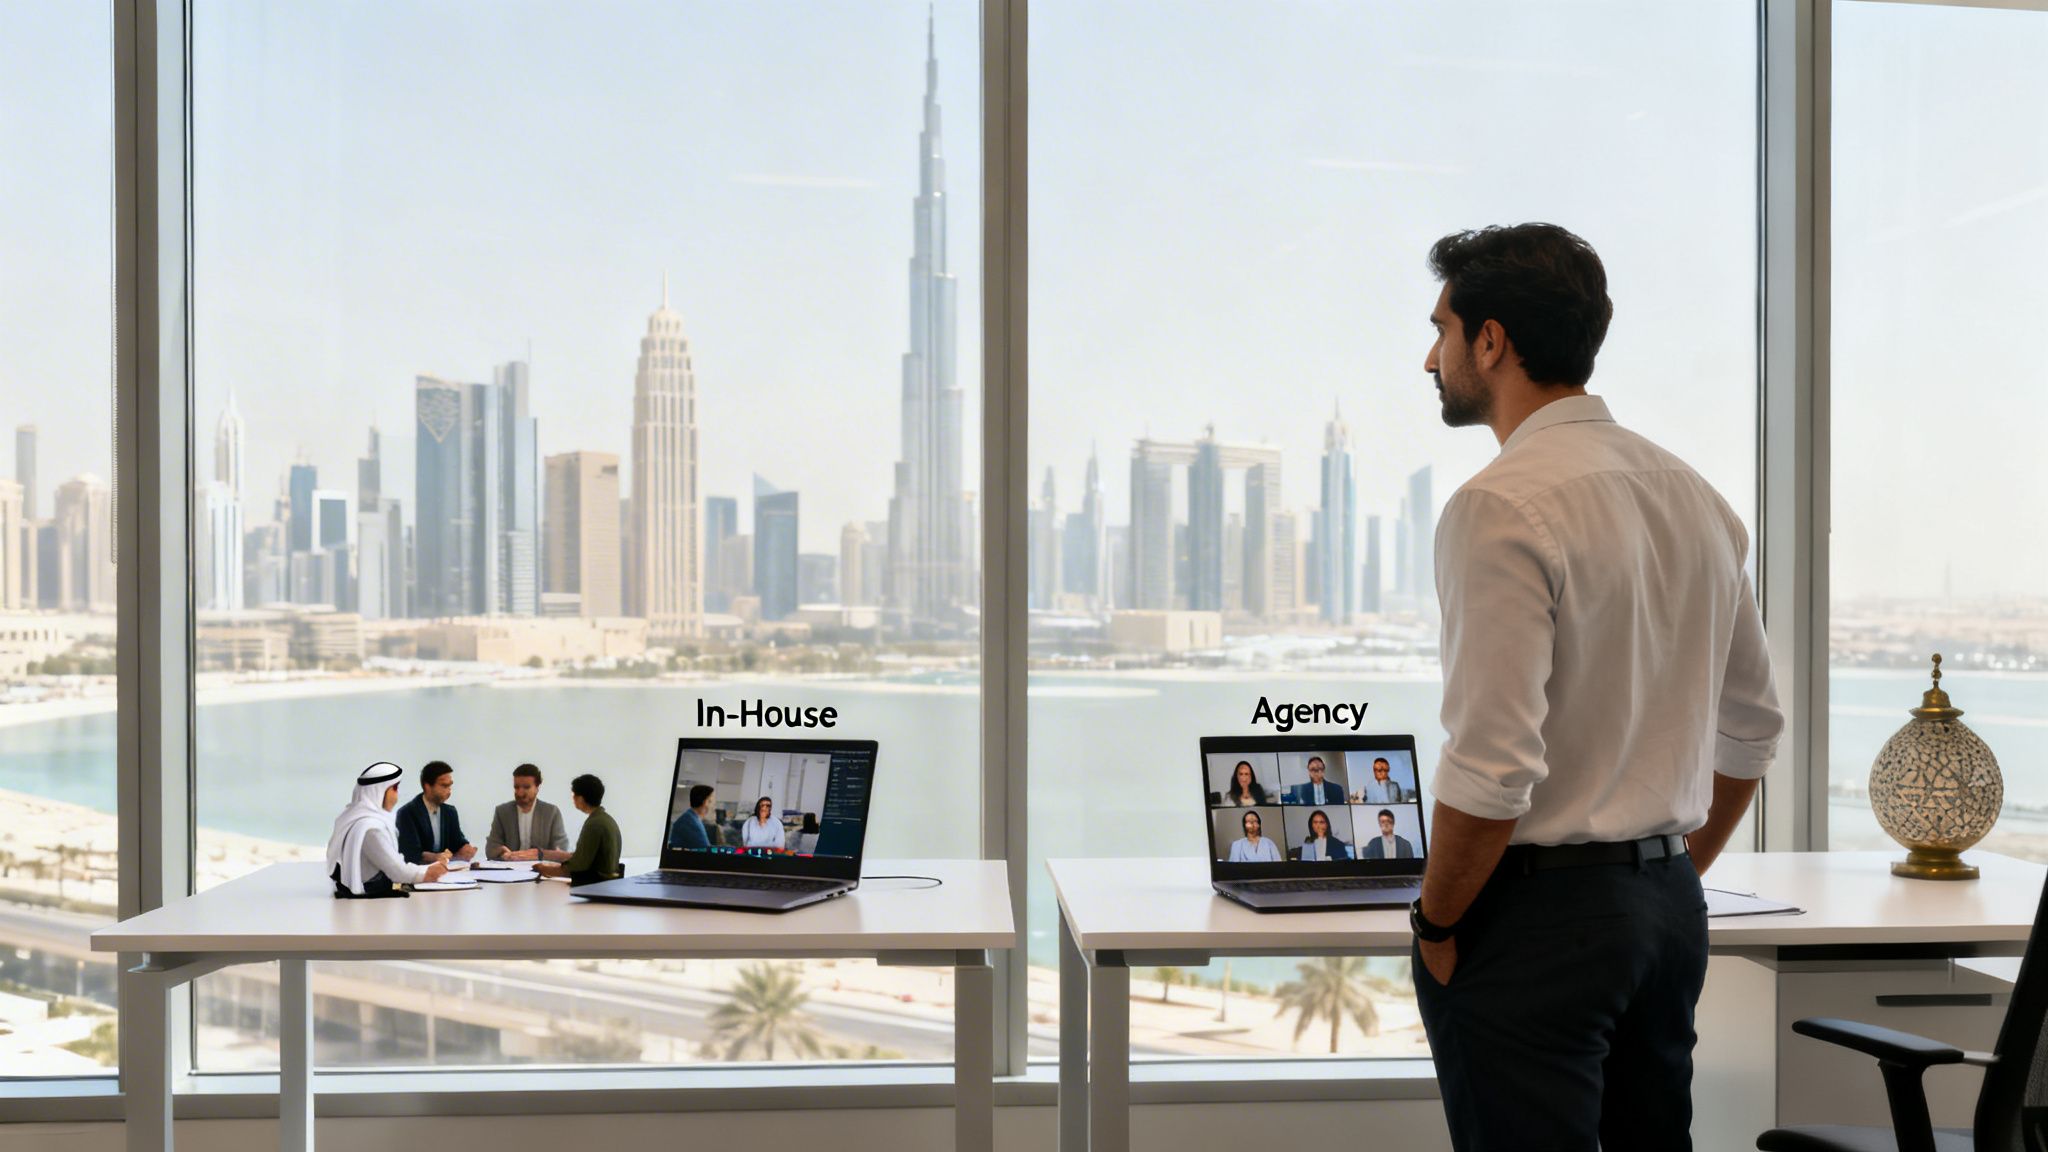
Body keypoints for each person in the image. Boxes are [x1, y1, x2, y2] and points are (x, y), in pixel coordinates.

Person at [1408, 224, 1782, 1150]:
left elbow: (1492, 768)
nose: (1430, 356)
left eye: (1442, 329)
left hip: (1539, 920)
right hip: (1664, 914)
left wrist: (1437, 921)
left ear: (1490, 341)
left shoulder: (1497, 503)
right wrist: (1672, 872)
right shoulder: (1695, 494)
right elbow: (1754, 730)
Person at [325, 762, 449, 896]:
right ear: (380, 791)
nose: (397, 796)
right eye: (394, 789)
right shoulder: (371, 829)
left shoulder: (352, 817)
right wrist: (430, 871)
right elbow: (398, 872)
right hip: (374, 900)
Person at [536, 774, 622, 886]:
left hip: (596, 885)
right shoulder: (607, 820)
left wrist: (545, 869)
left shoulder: (594, 824)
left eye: (574, 795)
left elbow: (579, 865)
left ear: (580, 798)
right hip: (607, 883)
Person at [395, 761, 476, 866]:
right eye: (444, 786)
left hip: (445, 873)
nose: (449, 791)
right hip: (417, 874)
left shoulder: (450, 812)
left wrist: (465, 848)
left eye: (450, 786)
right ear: (427, 786)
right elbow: (410, 853)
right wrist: (435, 857)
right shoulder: (407, 813)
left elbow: (457, 842)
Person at [485, 763, 570, 862]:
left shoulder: (551, 812)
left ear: (537, 788)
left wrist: (540, 855)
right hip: (510, 869)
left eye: (526, 787)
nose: (520, 793)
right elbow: (491, 848)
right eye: (516, 787)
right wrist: (500, 852)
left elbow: (561, 849)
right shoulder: (502, 812)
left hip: (541, 869)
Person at [669, 784, 716, 852]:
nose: (713, 807)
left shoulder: (691, 817)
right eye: (711, 802)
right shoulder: (690, 822)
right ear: (704, 802)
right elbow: (706, 851)